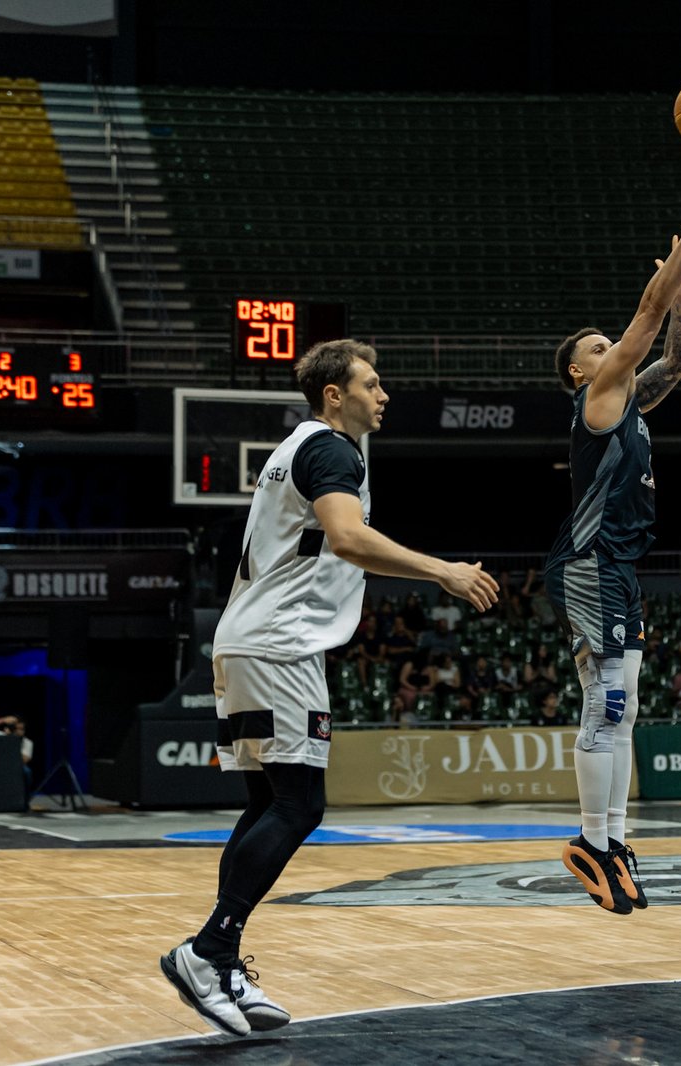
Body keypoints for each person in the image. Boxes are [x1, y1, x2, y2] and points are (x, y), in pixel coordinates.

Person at [159, 339, 497, 1037]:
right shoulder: (330, 449)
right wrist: (444, 571)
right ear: (335, 395)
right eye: (372, 384)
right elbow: (347, 538)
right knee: (300, 804)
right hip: (279, 646)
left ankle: (217, 961)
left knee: (266, 803)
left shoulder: (303, 447)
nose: (385, 394)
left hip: (251, 639)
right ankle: (208, 949)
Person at [542, 192, 681, 916]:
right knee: (606, 702)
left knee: (625, 710)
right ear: (579, 375)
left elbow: (676, 355)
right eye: (596, 348)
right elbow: (646, 322)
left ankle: (615, 843)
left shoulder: (627, 400)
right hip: (590, 565)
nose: (609, 348)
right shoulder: (599, 400)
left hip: (618, 567)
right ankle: (592, 841)